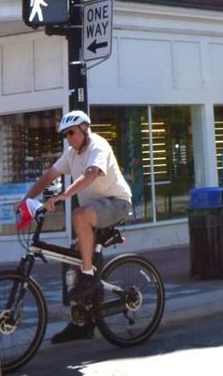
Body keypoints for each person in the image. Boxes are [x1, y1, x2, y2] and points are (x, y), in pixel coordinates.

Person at [24, 110, 132, 344]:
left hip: (117, 203)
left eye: (71, 133)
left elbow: (91, 175)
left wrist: (63, 196)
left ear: (85, 129)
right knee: (72, 260)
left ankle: (89, 275)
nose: (69, 138)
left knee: (79, 216)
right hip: (95, 210)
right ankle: (81, 323)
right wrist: (26, 199)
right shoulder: (71, 154)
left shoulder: (98, 146)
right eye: (65, 135)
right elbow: (49, 175)